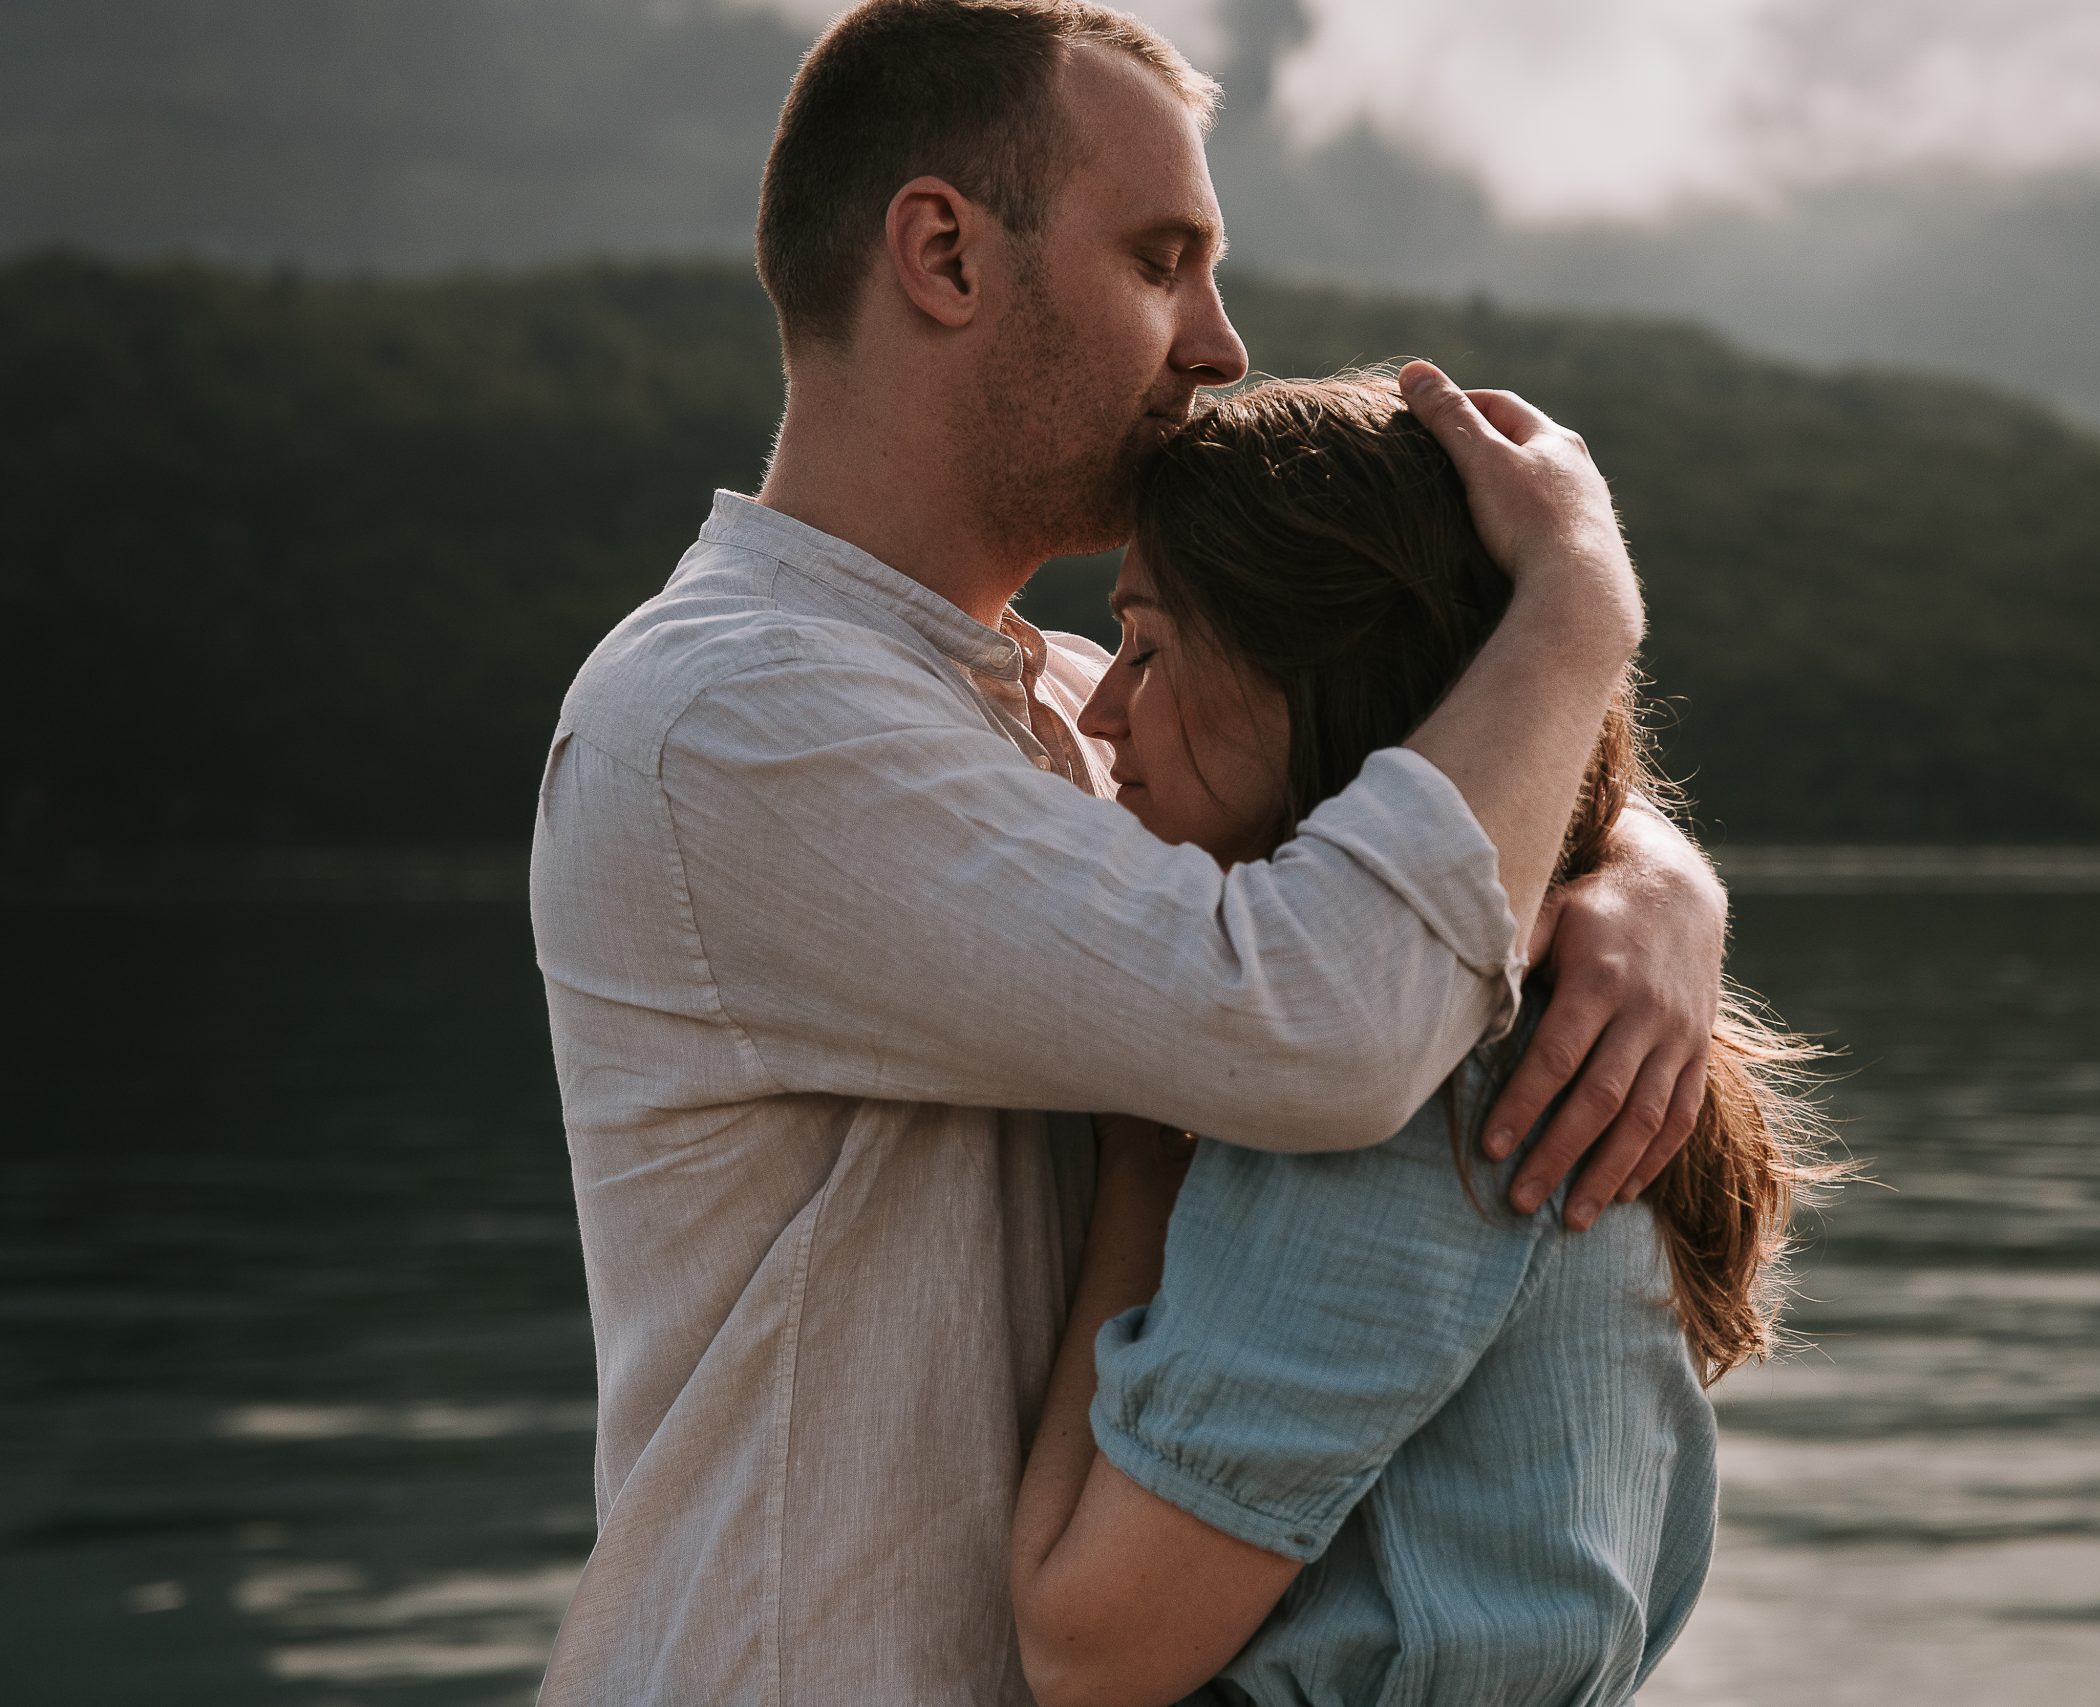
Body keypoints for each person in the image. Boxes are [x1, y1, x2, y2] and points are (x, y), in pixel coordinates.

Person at [527, 4, 1732, 1703]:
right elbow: (1319, 1020)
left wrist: (1649, 880)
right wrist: (1585, 606)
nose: (1221, 344)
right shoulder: (731, 712)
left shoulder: (1085, 708)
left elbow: (1389, 828)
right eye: (1162, 260)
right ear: (943, 252)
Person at [1010, 375, 1840, 1707]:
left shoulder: (1416, 1089)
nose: (1104, 716)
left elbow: (1084, 1647)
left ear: (1315, 681)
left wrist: (1135, 1147)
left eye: (1150, 648)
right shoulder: (1530, 1013)